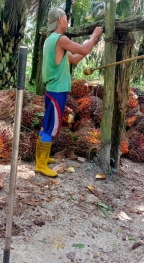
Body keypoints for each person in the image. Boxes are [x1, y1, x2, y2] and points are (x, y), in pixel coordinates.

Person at [35, 7, 103, 177]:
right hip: (57, 89)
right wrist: (93, 36)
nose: (67, 21)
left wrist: (92, 43)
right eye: (66, 18)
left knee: (47, 123)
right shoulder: (60, 39)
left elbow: (73, 58)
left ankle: (41, 158)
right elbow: (83, 49)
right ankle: (41, 164)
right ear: (60, 20)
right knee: (51, 126)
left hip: (53, 89)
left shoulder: (51, 40)